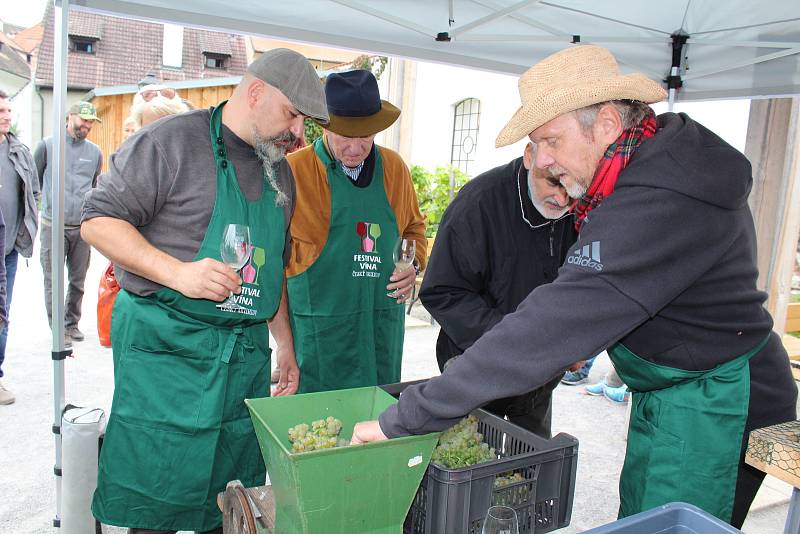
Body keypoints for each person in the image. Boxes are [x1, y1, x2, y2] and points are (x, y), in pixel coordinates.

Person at [352, 45, 797, 528]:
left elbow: (550, 323)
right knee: (642, 519)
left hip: (715, 398)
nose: (541, 161)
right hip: (670, 392)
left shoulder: (659, 197)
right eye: (536, 144)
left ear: (605, 123)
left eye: (552, 140)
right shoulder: (637, 173)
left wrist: (408, 416)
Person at [80, 48, 327, 533]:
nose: (298, 134)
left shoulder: (280, 171)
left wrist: (286, 346)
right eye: (293, 114)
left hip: (242, 363)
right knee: (156, 497)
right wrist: (178, 273)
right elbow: (97, 222)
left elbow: (272, 268)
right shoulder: (168, 143)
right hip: (168, 357)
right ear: (256, 93)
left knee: (229, 497)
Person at [419, 142, 576, 438]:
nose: (563, 197)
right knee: (474, 461)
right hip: (475, 367)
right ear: (531, 156)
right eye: (554, 181)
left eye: (571, 184)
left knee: (530, 463)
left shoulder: (579, 208)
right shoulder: (477, 204)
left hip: (540, 375)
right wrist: (518, 339)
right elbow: (442, 291)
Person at [285, 69, 426, 393]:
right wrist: (283, 343)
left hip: (380, 325)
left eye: (365, 135)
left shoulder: (394, 168)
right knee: (316, 424)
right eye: (345, 135)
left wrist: (413, 266)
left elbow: (414, 229)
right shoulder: (295, 171)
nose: (355, 146)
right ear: (325, 127)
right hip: (319, 331)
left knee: (379, 416)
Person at [34, 101, 103, 345]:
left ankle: (71, 324)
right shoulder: (47, 146)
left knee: (78, 280)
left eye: (91, 121)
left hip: (80, 228)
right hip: (53, 225)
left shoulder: (95, 152)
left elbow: (95, 188)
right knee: (53, 280)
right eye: (84, 120)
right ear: (70, 117)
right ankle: (58, 331)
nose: (87, 125)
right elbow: (33, 184)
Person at [0, 90, 39, 405]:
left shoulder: (19, 152)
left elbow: (33, 192)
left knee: (2, 314)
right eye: (1, 110)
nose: (6, 116)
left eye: (8, 111)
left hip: (8, 251)